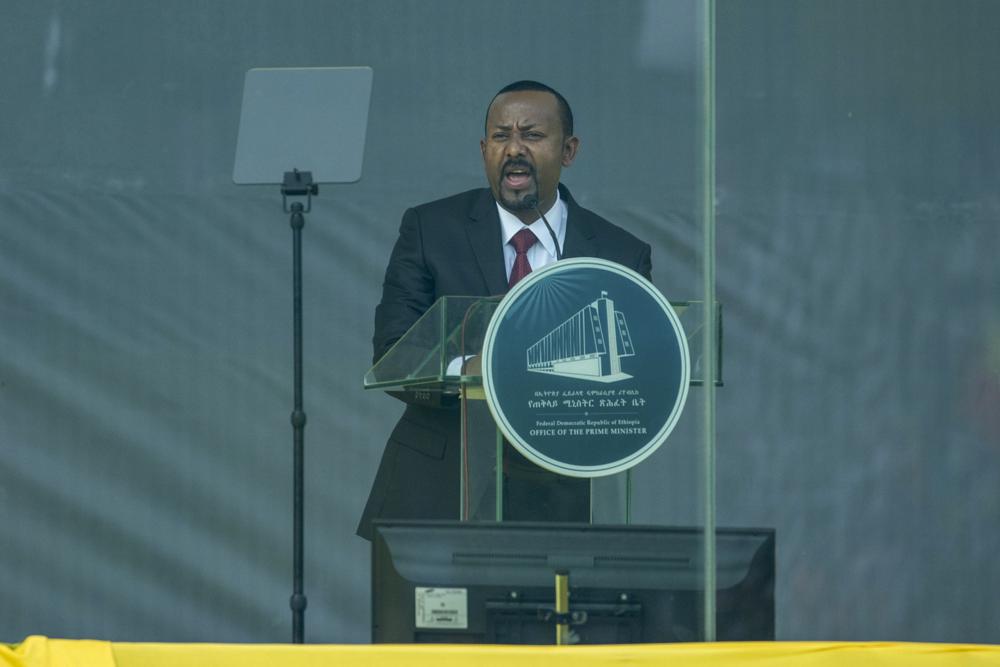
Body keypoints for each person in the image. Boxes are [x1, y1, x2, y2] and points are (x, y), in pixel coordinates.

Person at [357, 80, 652, 540]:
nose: (514, 148)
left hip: (562, 500)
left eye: (532, 135)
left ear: (568, 150)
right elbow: (394, 353)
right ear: (484, 149)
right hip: (436, 493)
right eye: (500, 136)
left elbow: (635, 380)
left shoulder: (619, 254)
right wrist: (472, 373)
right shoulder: (430, 229)